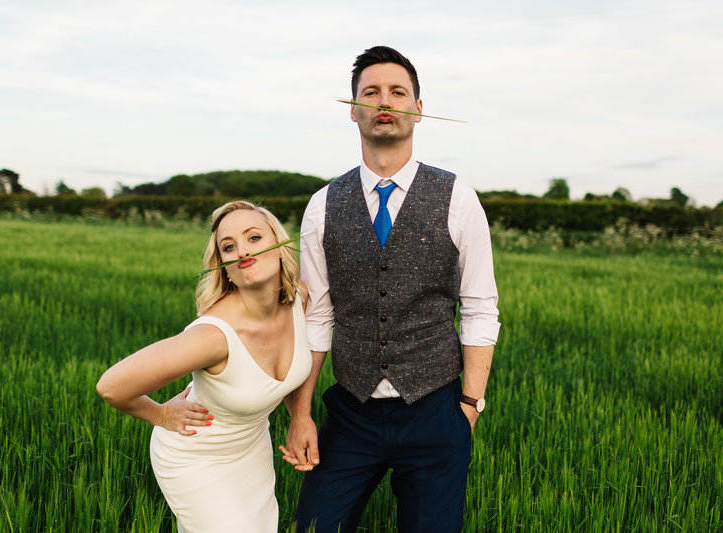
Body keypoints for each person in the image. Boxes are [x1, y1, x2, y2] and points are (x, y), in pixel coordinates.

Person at [280, 46, 501, 532]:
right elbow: (317, 317)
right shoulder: (321, 206)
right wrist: (301, 414)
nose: (385, 101)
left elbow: (480, 308)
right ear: (353, 110)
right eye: (371, 93)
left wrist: (468, 406)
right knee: (316, 527)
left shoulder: (459, 199)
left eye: (398, 92)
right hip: (350, 414)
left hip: (437, 410)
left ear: (418, 111)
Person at [96, 200, 312, 533]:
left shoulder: (300, 299)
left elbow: (284, 381)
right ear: (225, 269)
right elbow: (111, 386)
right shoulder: (212, 336)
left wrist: (299, 417)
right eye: (229, 247)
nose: (242, 250)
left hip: (251, 447)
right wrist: (163, 414)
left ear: (280, 246)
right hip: (195, 457)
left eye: (254, 238)